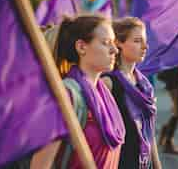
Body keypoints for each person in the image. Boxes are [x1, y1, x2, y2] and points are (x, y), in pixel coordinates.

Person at [30, 15, 126, 169]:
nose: (114, 50)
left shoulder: (104, 93)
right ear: (81, 47)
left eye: (114, 43)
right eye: (106, 43)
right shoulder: (66, 96)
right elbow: (40, 165)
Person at [102, 17, 162, 169]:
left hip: (143, 162)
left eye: (144, 41)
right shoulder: (108, 83)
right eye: (137, 41)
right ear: (119, 43)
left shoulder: (145, 85)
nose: (145, 46)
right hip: (121, 162)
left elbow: (149, 132)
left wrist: (157, 165)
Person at [157, 64, 178, 154]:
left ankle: (165, 134)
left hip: (177, 80)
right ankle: (168, 142)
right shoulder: (175, 51)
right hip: (174, 81)